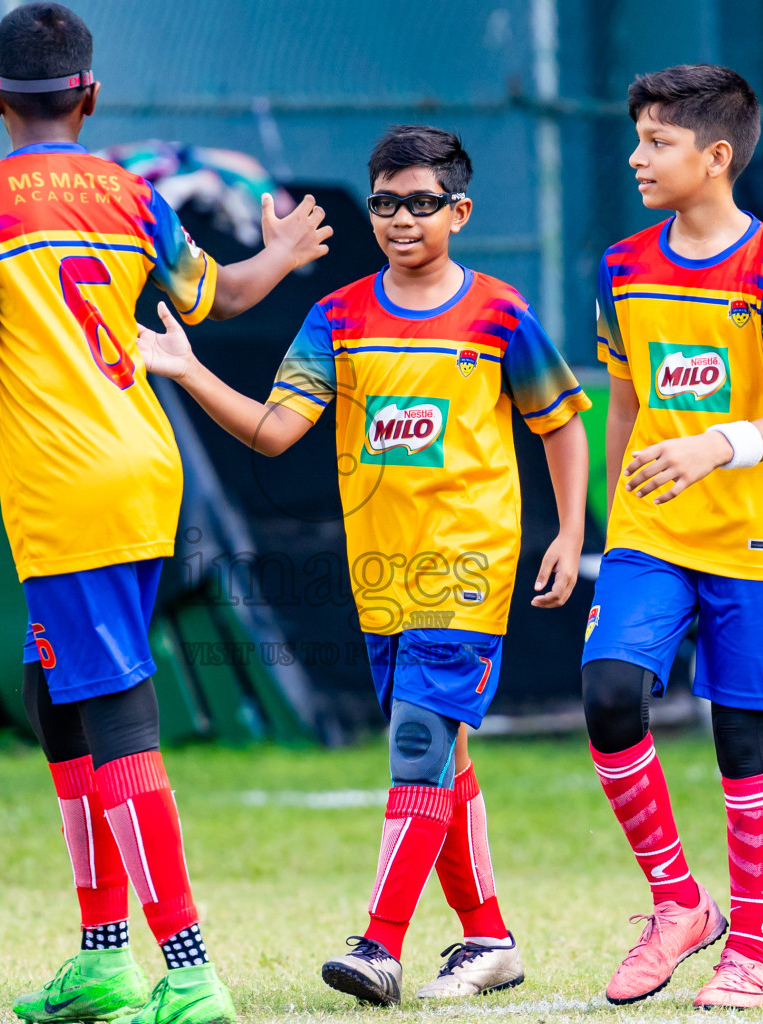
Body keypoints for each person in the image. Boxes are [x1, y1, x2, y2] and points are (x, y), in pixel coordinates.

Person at [0, 5, 330, 1023]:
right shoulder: (129, 195)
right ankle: (102, 954)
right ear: (89, 94)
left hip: (70, 486)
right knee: (58, 700)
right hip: (139, 465)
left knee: (120, 714)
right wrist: (282, 256)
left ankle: (187, 967)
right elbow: (214, 295)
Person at [137, 125, 591, 1007]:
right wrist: (189, 371)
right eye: (384, 203)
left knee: (416, 745)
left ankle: (379, 946)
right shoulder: (335, 316)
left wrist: (570, 534)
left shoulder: (499, 313)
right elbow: (274, 430)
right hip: (380, 576)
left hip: (468, 566)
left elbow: (562, 423)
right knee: (443, 756)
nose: (400, 219)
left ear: (458, 211)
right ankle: (489, 938)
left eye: (422, 203)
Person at [580, 64, 763, 1009]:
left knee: (742, 740)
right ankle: (679, 904)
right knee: (609, 695)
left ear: (716, 156)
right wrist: (613, 522)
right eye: (638, 137)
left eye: (659, 141)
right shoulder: (620, 263)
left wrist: (712, 448)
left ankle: (750, 952)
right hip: (649, 535)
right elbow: (626, 401)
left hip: (758, 541)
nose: (638, 157)